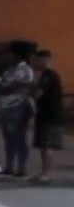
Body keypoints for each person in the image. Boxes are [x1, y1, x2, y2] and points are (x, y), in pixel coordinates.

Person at [0, 43, 34, 177]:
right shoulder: (9, 70)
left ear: (17, 54)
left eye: (10, 53)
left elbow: (22, 86)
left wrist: (9, 87)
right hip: (6, 106)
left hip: (18, 106)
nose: (8, 56)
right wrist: (9, 87)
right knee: (8, 138)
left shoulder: (25, 69)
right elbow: (2, 87)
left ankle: (21, 168)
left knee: (19, 138)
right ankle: (9, 166)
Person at [31, 49, 64, 183]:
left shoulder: (49, 75)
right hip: (43, 115)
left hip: (51, 116)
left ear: (47, 60)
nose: (36, 63)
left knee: (48, 145)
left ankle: (47, 173)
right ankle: (43, 172)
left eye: (39, 60)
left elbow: (37, 94)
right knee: (43, 146)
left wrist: (31, 88)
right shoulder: (44, 75)